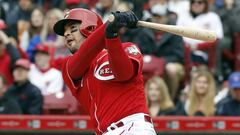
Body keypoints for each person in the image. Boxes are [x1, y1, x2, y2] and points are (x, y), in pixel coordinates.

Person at [53, 8, 156, 135]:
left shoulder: (127, 48)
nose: (67, 34)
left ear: (90, 28)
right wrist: (110, 26)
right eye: (65, 32)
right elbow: (85, 53)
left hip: (133, 127)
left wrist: (111, 35)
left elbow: (124, 73)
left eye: (73, 29)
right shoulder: (69, 65)